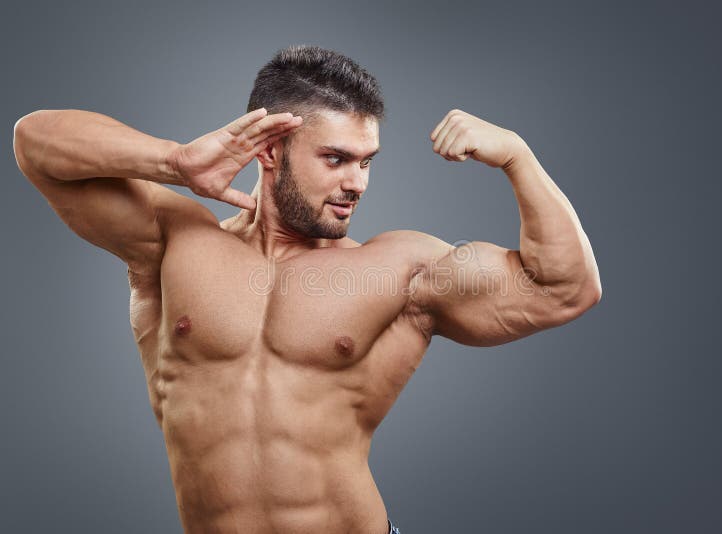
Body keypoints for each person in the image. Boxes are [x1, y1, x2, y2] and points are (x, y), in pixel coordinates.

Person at [12, 44, 601, 534]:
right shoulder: (174, 241)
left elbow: (565, 289)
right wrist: (176, 162)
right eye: (337, 159)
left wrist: (518, 158)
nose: (358, 183)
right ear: (270, 150)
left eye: (367, 162)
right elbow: (35, 145)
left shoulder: (399, 268)